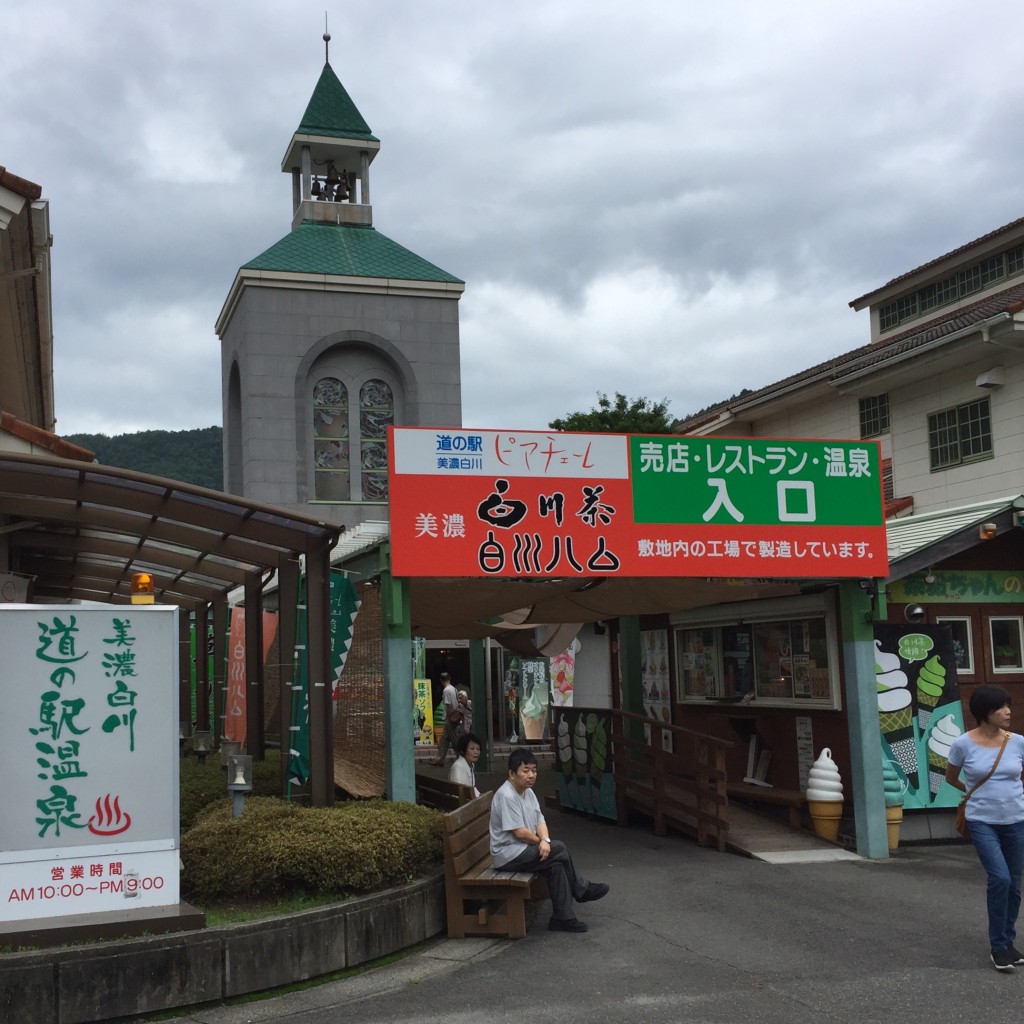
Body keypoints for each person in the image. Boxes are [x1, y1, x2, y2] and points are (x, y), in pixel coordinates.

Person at [945, 684, 1024, 972]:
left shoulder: (1018, 742)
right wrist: (975, 791)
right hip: (981, 821)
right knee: (1000, 879)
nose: (1008, 712)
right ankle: (997, 945)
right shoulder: (963, 744)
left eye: (1008, 705)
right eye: (1000, 707)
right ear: (984, 712)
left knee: (1015, 885)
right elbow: (951, 778)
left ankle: (1009, 943)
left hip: (1016, 820)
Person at [489, 747, 609, 933]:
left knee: (557, 864)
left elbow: (540, 820)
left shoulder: (527, 792)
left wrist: (544, 839)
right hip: (508, 854)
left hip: (522, 850)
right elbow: (519, 833)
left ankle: (563, 918)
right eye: (526, 770)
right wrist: (541, 842)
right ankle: (580, 889)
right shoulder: (507, 795)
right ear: (512, 774)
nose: (531, 775)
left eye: (534, 770)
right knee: (559, 849)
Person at [431, 672, 460, 766]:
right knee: (444, 739)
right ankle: (439, 759)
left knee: (455, 740)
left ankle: (461, 758)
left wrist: (448, 718)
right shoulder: (453, 689)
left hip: (450, 718)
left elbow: (448, 705)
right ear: (449, 679)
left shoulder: (446, 690)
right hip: (454, 716)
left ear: (441, 681)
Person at [448, 731, 481, 797]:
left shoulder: (470, 765)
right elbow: (458, 794)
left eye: (478, 749)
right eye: (472, 749)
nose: (476, 752)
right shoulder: (458, 768)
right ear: (463, 750)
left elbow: (472, 789)